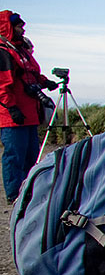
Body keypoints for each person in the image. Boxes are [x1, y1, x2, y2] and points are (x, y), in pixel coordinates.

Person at [0, 11, 58, 203]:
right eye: (18, 26)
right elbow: (2, 85)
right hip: (13, 115)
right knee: (14, 155)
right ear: (8, 28)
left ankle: (26, 190)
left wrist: (45, 82)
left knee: (31, 154)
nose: (22, 29)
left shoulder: (21, 51)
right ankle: (14, 194)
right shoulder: (3, 52)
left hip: (30, 112)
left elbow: (30, 75)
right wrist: (11, 107)